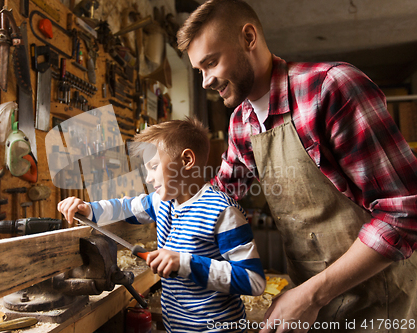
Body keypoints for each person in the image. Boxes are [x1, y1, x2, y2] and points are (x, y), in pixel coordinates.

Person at [177, 0, 417, 332]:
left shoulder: (331, 88)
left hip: (384, 304)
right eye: (198, 71)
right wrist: (154, 211)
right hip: (312, 309)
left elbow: (403, 213)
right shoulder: (242, 124)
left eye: (211, 63)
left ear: (249, 37)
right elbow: (221, 195)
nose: (205, 81)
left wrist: (309, 297)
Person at [58, 118, 266, 332]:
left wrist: (184, 263)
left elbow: (254, 281)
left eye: (154, 166)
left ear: (186, 160)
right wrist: (88, 209)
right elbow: (125, 207)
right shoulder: (161, 202)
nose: (148, 178)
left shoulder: (223, 211)